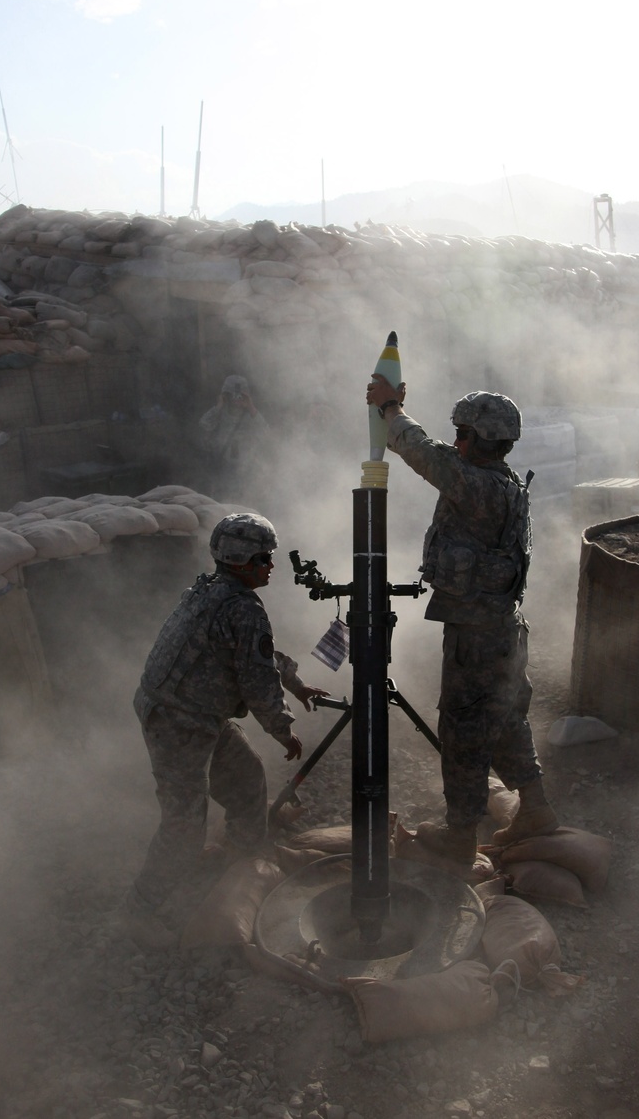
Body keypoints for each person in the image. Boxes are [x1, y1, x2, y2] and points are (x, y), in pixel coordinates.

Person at [365, 376, 558, 866]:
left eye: (461, 433)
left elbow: (422, 452)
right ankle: (535, 808)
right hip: (504, 629)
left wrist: (389, 407)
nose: (456, 442)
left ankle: (460, 837)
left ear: (475, 438)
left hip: (476, 634)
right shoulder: (505, 482)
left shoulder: (476, 483)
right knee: (507, 718)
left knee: (464, 728)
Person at [125, 511, 325, 949]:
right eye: (266, 559)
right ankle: (139, 911)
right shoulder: (239, 606)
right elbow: (256, 682)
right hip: (178, 724)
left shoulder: (214, 591)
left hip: (197, 717)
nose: (271, 566)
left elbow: (256, 655)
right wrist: (283, 729)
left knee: (247, 779)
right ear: (245, 561)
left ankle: (242, 856)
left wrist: (296, 682)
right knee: (183, 825)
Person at [197, 375, 271, 498]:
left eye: (240, 396)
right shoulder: (220, 413)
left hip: (245, 468)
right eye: (233, 395)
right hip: (222, 466)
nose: (237, 399)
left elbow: (265, 432)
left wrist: (251, 407)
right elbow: (203, 424)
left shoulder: (251, 415)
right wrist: (219, 406)